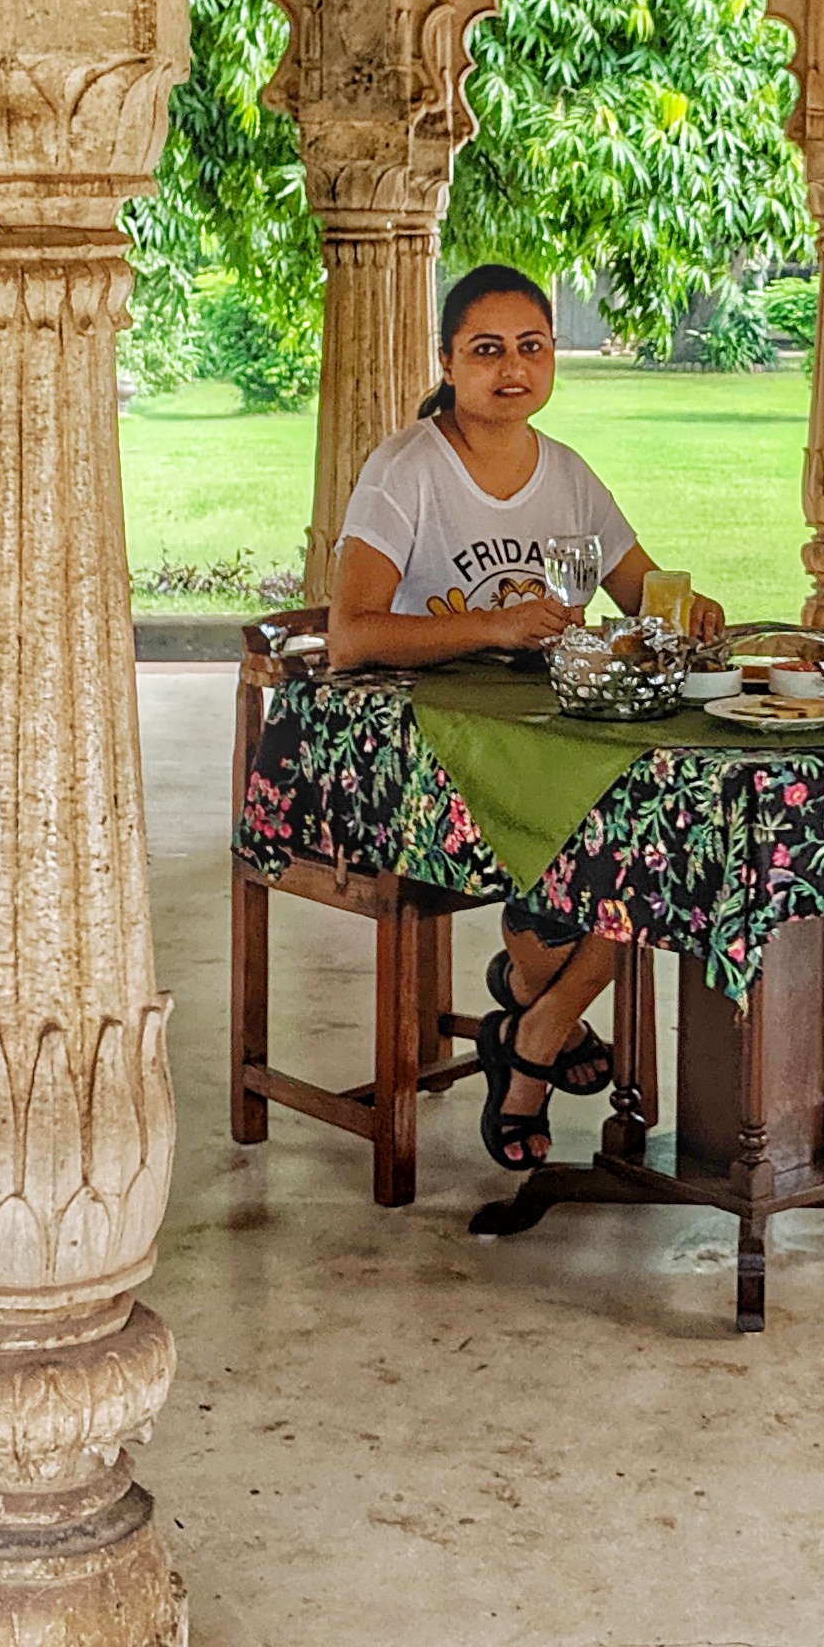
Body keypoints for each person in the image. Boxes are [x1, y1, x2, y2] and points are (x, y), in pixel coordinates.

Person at [326, 262, 715, 1173]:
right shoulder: (407, 470)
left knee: (670, 826)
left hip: (545, 731)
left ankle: (534, 1024)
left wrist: (684, 614)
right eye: (487, 350)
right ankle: (539, 1011)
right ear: (448, 362)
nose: (513, 369)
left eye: (531, 348)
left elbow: (641, 594)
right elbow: (349, 635)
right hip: (430, 742)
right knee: (608, 832)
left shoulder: (567, 475)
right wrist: (495, 626)